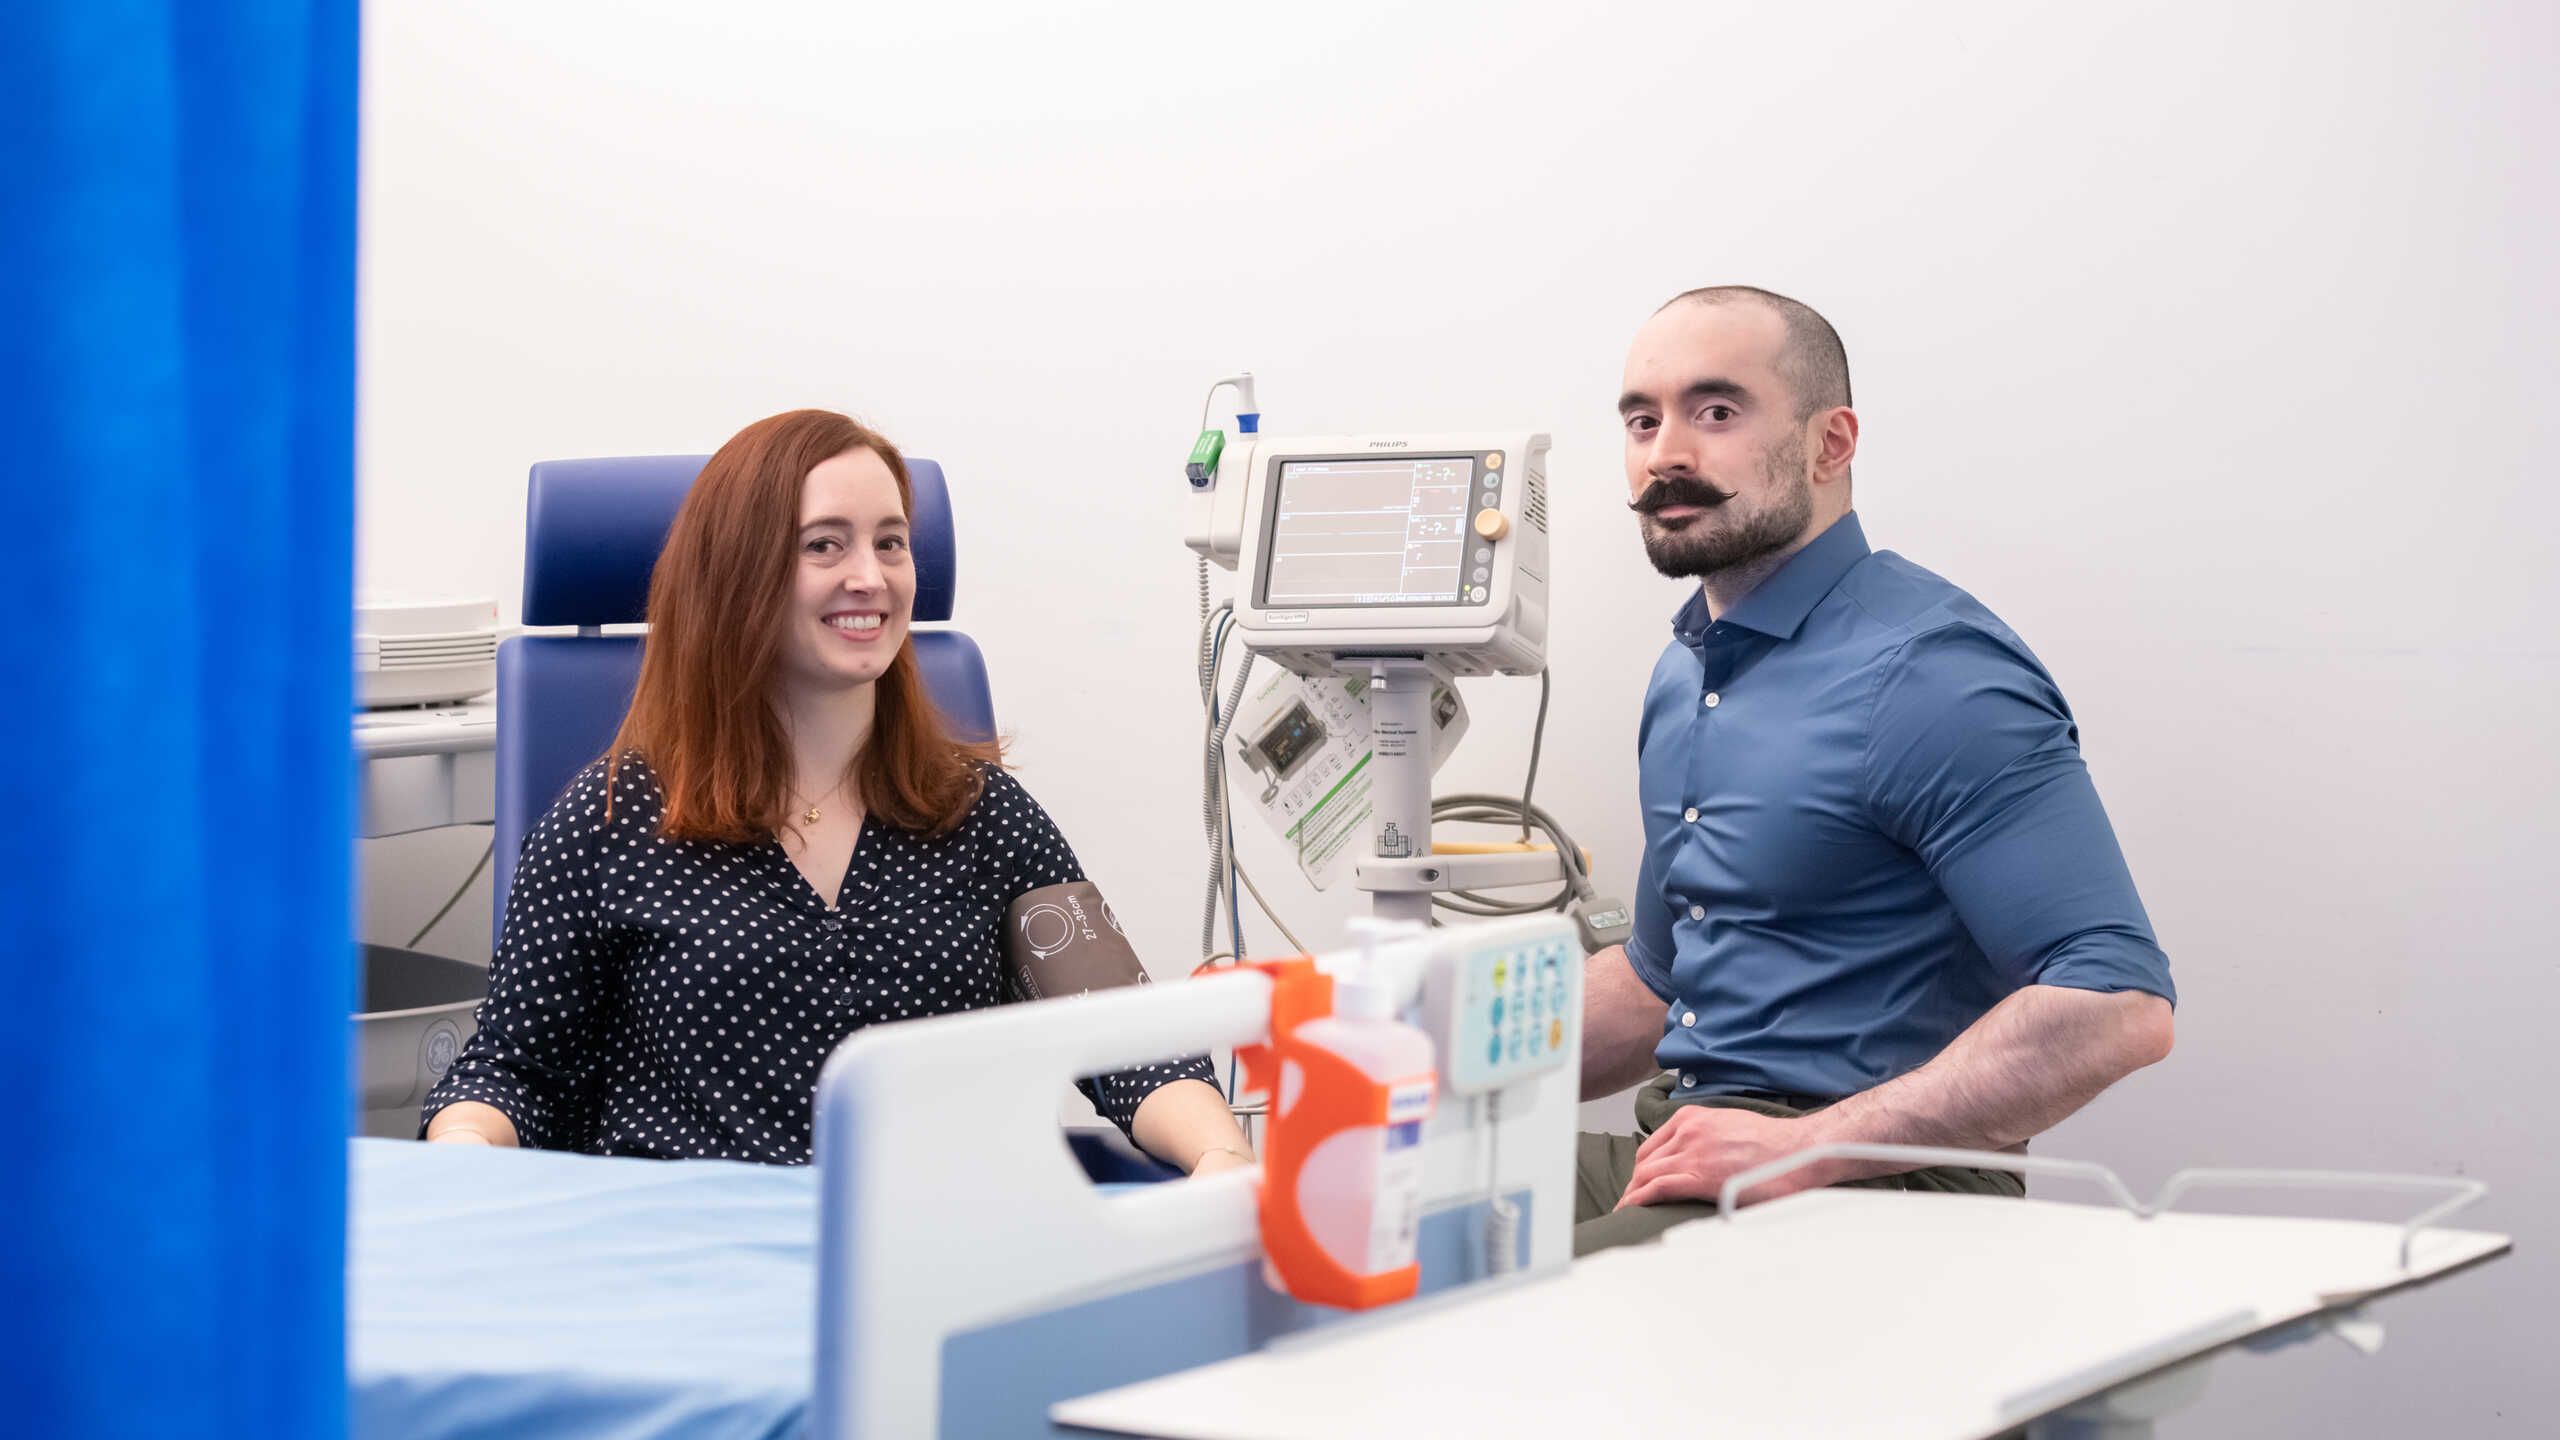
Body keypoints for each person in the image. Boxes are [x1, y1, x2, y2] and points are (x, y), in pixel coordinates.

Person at [423, 409, 1254, 1177]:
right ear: (736, 577)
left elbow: (1134, 1044)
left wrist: (1222, 1158)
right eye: (825, 545)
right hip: (687, 1263)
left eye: (891, 543)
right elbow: (511, 1070)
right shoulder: (610, 821)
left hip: (930, 1260)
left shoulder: (982, 814)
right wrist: (462, 1152)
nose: (872, 576)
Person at [1574, 288, 2176, 1254]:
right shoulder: (1689, 670)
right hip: (1686, 1138)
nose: (1666, 453)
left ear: (1831, 443)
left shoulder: (1932, 672)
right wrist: (1382, 1068)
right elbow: (1654, 984)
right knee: (1331, 1221)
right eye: (1643, 420)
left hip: (1875, 1186)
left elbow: (2119, 1005)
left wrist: (1807, 1146)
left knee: (1441, 1329)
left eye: (1716, 412)